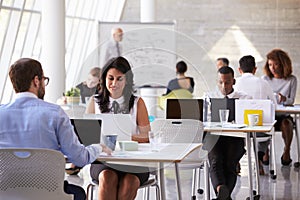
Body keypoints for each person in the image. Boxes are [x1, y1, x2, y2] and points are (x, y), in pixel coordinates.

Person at [0, 58, 111, 200]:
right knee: (78, 193)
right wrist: (98, 147)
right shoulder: (54, 113)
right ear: (36, 81)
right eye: (44, 80)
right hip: (48, 193)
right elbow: (80, 158)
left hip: (6, 193)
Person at [86, 56, 150, 200]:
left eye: (119, 79)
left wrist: (125, 138)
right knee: (107, 178)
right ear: (104, 79)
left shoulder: (137, 103)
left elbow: (146, 137)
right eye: (110, 78)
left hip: (134, 162)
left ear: (126, 80)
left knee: (130, 182)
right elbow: (88, 137)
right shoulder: (94, 102)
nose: (114, 83)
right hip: (104, 161)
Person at [205, 66, 251, 200]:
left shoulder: (244, 98)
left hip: (234, 138)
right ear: (217, 82)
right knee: (215, 160)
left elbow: (247, 121)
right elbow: (204, 119)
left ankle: (221, 195)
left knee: (230, 163)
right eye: (221, 82)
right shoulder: (209, 97)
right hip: (214, 137)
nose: (224, 86)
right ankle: (222, 192)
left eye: (227, 82)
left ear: (234, 82)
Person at [235, 55, 277, 175]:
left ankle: (236, 160)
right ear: (255, 69)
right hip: (259, 129)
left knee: (234, 136)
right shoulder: (263, 83)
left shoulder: (235, 83)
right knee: (266, 130)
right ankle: (259, 159)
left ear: (239, 70)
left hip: (240, 131)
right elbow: (274, 105)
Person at [262, 48, 297, 166]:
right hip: (269, 116)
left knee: (287, 124)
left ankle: (287, 152)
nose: (273, 67)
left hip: (283, 116)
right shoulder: (265, 79)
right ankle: (265, 153)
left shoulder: (291, 80)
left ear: (283, 64)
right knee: (264, 123)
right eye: (270, 64)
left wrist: (284, 99)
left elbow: (291, 100)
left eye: (276, 64)